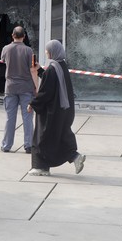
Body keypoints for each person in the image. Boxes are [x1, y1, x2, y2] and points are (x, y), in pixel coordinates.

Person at [27, 39, 85, 176]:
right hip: (62, 111)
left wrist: (33, 104)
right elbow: (51, 82)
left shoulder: (53, 68)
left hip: (51, 112)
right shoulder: (61, 66)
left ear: (53, 52)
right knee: (56, 137)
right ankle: (74, 157)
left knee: (41, 138)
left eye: (48, 50)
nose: (46, 52)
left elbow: (46, 92)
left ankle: (40, 167)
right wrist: (40, 70)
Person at [0, 26, 36, 153]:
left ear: (12, 35)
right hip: (26, 87)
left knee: (10, 117)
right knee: (27, 117)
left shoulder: (6, 49)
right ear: (24, 36)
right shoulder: (29, 51)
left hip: (10, 87)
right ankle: (29, 145)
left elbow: (3, 61)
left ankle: (6, 145)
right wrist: (35, 86)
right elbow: (32, 70)